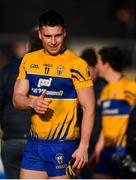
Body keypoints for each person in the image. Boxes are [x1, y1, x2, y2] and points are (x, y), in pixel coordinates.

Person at [13, 10, 95, 179]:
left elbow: (89, 107)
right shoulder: (29, 60)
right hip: (34, 144)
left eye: (57, 36)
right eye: (48, 36)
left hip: (64, 145)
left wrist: (84, 146)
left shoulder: (77, 65)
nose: (52, 41)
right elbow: (17, 98)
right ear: (39, 35)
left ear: (64, 33)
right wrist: (32, 103)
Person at [92, 46, 136, 178]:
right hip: (106, 150)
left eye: (98, 62)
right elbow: (106, 124)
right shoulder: (105, 91)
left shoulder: (130, 87)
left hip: (123, 150)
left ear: (106, 64)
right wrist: (98, 149)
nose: (96, 66)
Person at [0, 40, 31, 179]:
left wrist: (4, 126)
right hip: (35, 138)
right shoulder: (46, 69)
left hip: (11, 136)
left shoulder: (7, 69)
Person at [78, 48, 106, 178]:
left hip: (98, 143)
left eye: (89, 71)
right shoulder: (76, 86)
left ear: (96, 68)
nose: (87, 75)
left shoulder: (104, 88)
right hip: (79, 142)